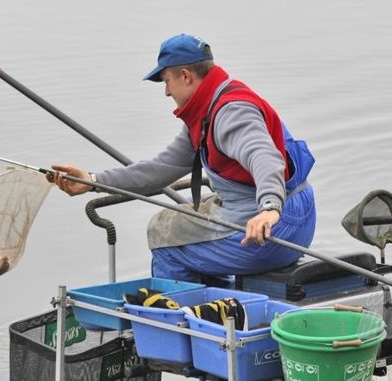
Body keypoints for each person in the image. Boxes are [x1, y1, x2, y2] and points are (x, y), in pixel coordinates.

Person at [50, 34, 316, 283]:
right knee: (184, 209)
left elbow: (264, 156)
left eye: (167, 81)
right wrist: (93, 181)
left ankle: (182, 323)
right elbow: (160, 169)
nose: (166, 92)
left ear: (186, 76)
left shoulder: (230, 112)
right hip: (291, 214)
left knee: (163, 236)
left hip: (273, 228)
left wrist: (269, 208)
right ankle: (223, 305)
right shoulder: (208, 109)